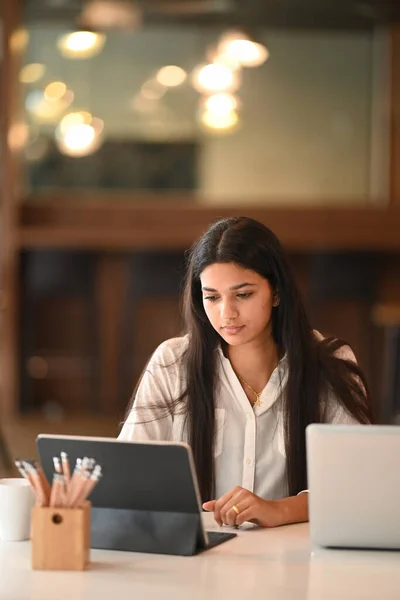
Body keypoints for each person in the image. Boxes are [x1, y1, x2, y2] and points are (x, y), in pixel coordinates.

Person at [119, 217, 374, 528]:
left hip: (296, 560)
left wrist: (277, 510)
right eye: (212, 297)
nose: (227, 313)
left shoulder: (330, 363)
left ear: (276, 292)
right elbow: (127, 472)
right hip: (197, 559)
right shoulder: (172, 363)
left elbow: (356, 485)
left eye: (243, 294)